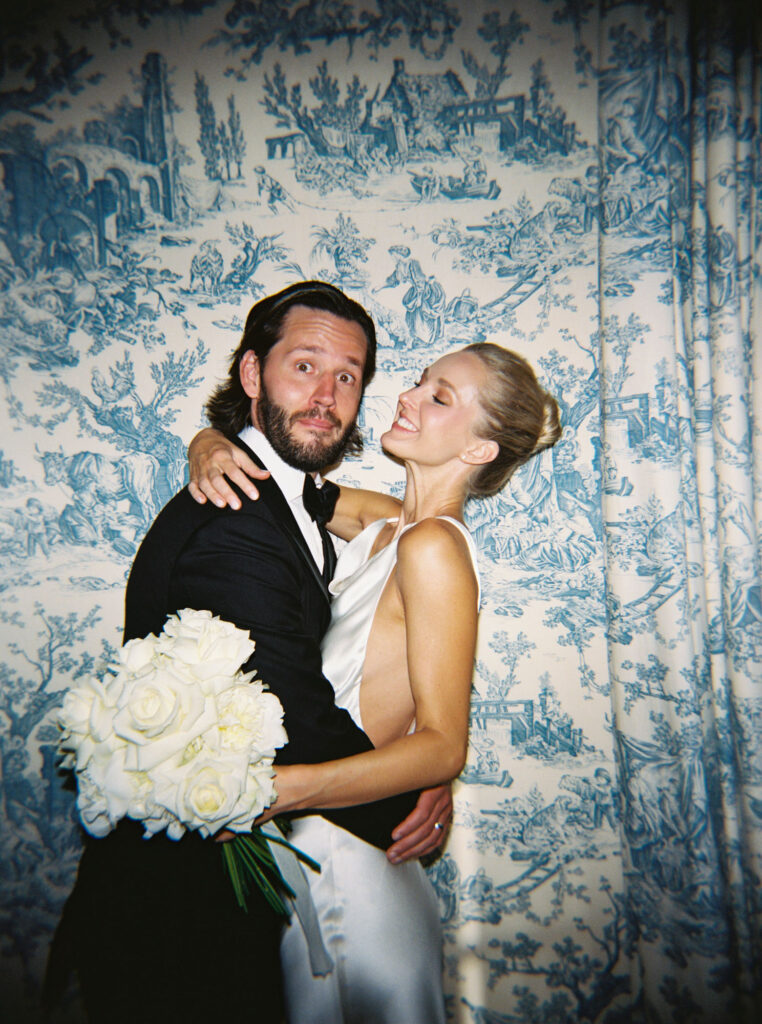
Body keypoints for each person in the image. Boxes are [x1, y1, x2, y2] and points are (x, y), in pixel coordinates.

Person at [46, 282, 450, 1024]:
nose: (326, 395)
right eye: (304, 366)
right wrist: (414, 794)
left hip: (242, 892)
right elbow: (292, 707)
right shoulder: (236, 518)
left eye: (348, 376)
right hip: (184, 921)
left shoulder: (289, 498)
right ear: (252, 374)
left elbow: (408, 522)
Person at [189, 336, 562, 1023]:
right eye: (419, 382)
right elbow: (274, 479)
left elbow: (445, 745)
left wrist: (277, 791)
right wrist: (206, 444)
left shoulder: (432, 547)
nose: (408, 396)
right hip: (326, 845)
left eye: (438, 397)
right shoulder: (391, 526)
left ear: (479, 450)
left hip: (348, 865)